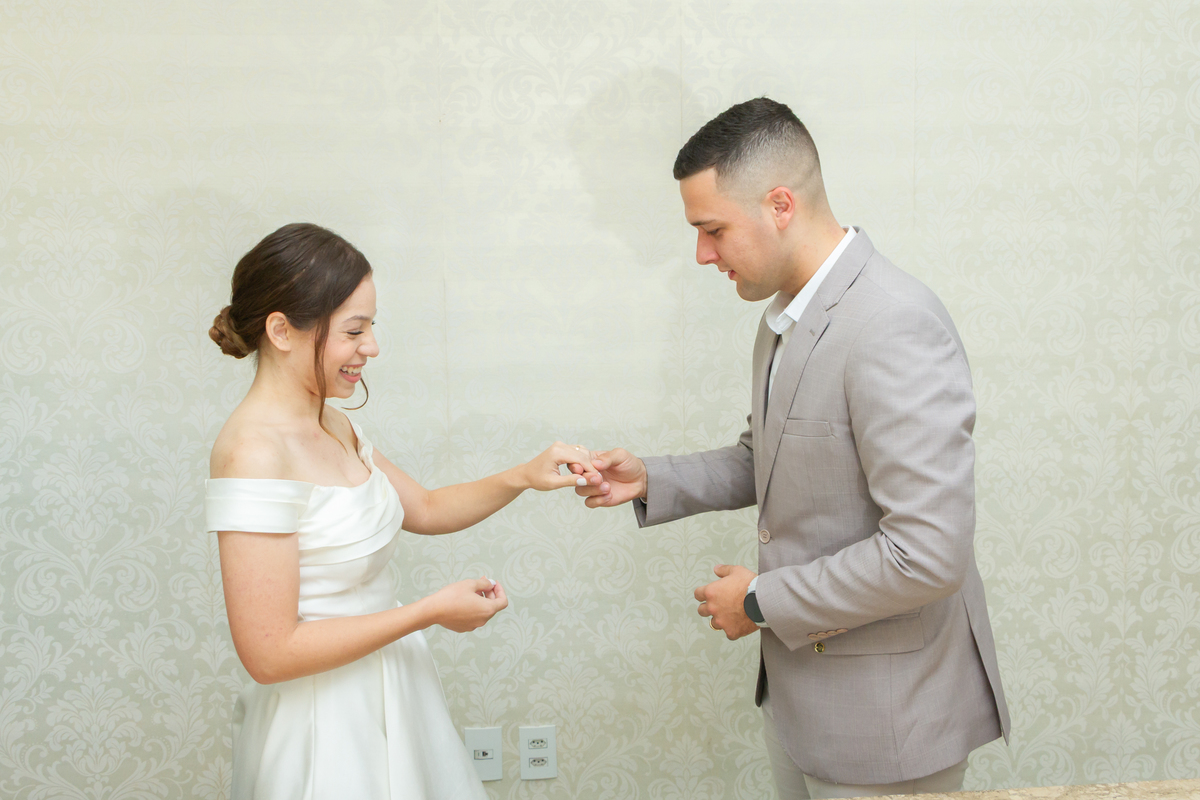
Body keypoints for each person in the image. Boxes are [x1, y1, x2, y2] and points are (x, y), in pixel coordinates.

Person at [574, 98, 1011, 798]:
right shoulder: (784, 315)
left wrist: (758, 602)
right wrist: (651, 478)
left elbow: (928, 554)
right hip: (803, 701)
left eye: (713, 230)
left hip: (888, 719)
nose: (702, 254)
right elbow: (770, 459)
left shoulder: (893, 325)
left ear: (781, 205)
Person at [205, 222, 596, 800]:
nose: (371, 346)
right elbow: (269, 653)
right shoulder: (251, 452)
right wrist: (427, 612)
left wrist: (522, 475)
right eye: (353, 330)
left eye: (371, 327)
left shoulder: (333, 422)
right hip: (322, 725)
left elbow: (427, 508)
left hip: (395, 691)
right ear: (281, 330)